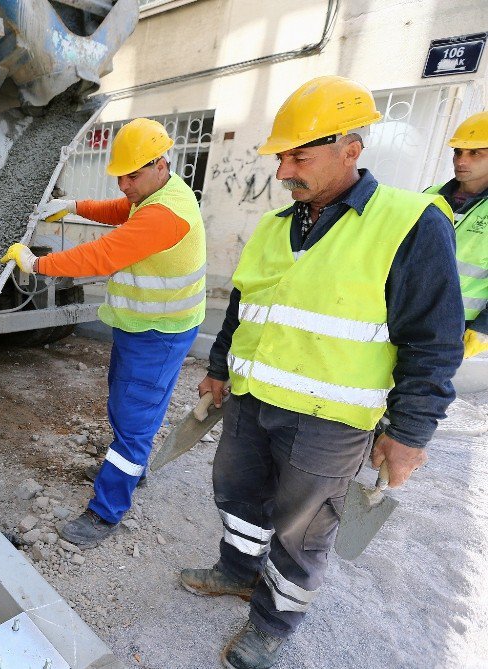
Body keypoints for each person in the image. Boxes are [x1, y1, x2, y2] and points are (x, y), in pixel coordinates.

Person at [181, 76, 465, 669]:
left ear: (351, 149)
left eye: (298, 156)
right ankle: (237, 571)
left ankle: (273, 623)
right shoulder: (276, 226)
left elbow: (432, 341)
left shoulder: (411, 223)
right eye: (281, 156)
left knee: (301, 530)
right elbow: (243, 307)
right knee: (236, 493)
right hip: (252, 401)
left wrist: (409, 433)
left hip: (330, 421)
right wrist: (218, 369)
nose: (284, 170)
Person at [0, 118, 207, 549]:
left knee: (133, 422)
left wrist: (36, 264)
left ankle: (105, 512)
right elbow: (119, 211)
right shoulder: (157, 194)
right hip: (144, 328)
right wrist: (75, 205)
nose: (124, 184)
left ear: (160, 163)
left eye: (131, 175)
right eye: (121, 175)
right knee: (125, 405)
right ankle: (134, 467)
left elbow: (104, 255)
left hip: (158, 334)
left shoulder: (165, 215)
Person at [423, 110, 488, 359]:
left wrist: (483, 328)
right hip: (407, 310)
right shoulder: (431, 195)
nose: (461, 161)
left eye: (475, 153)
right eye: (458, 152)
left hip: (456, 325)